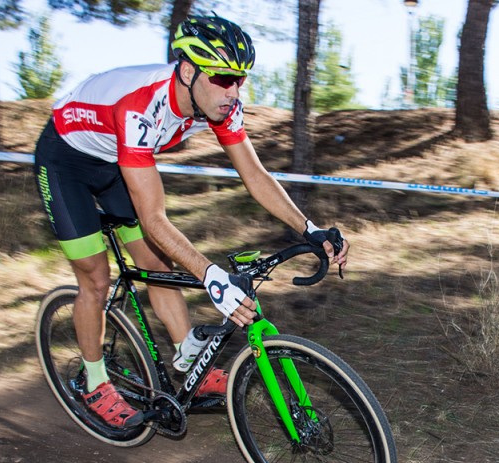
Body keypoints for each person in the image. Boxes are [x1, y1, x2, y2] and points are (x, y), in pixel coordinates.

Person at [33, 14, 349, 429]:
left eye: (240, 79)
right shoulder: (142, 105)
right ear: (187, 70)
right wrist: (211, 276)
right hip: (65, 161)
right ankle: (94, 382)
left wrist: (309, 229)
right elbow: (153, 218)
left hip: (116, 161)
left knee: (158, 268)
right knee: (95, 279)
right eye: (222, 78)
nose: (233, 92)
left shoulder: (219, 107)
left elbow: (255, 176)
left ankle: (186, 358)